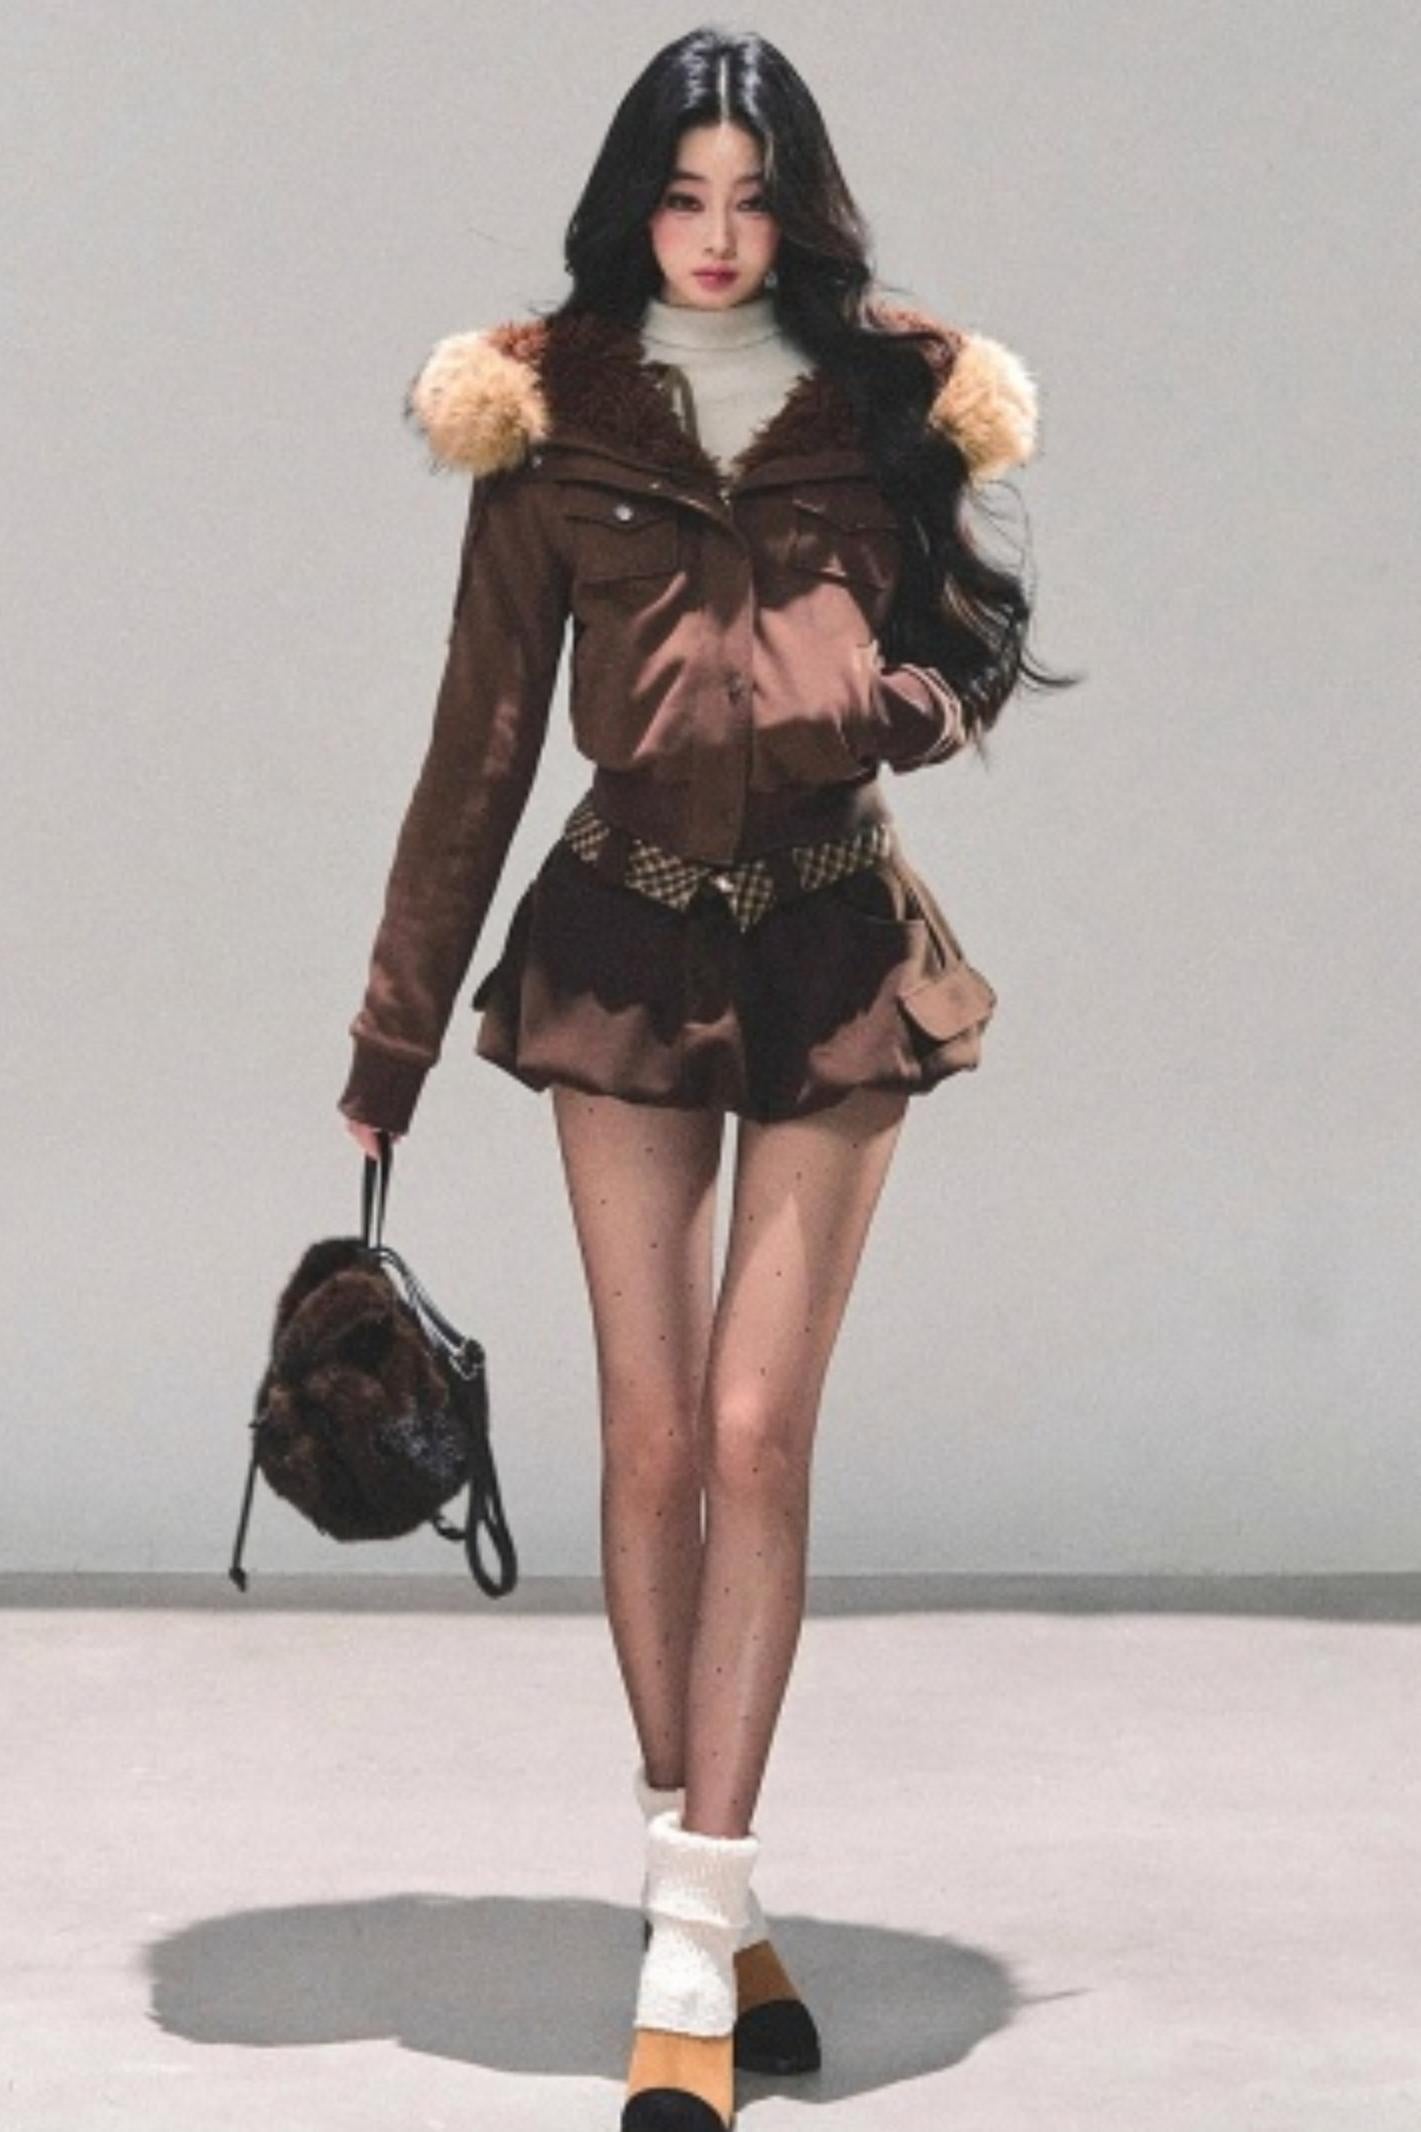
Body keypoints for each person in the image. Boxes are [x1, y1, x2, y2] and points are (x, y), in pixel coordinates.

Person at [337, 27, 1073, 2131]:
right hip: (624, 939)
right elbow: (483, 739)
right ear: (632, 206)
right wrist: (394, 1032)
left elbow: (964, 635)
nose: (720, 237)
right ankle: (706, 1888)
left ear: (798, 206)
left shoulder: (898, 395)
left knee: (758, 1429)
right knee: (653, 1436)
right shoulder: (544, 412)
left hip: (836, 939)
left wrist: (904, 706)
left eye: (752, 198)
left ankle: (687, 1942)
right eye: (683, 197)